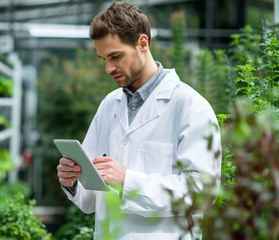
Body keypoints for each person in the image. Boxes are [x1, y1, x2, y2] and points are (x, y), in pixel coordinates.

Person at [56, 2, 221, 240]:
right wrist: (73, 181)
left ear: (142, 43)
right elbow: (91, 199)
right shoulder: (109, 105)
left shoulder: (190, 106)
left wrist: (127, 180)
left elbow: (201, 194)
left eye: (115, 56)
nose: (109, 68)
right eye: (103, 59)